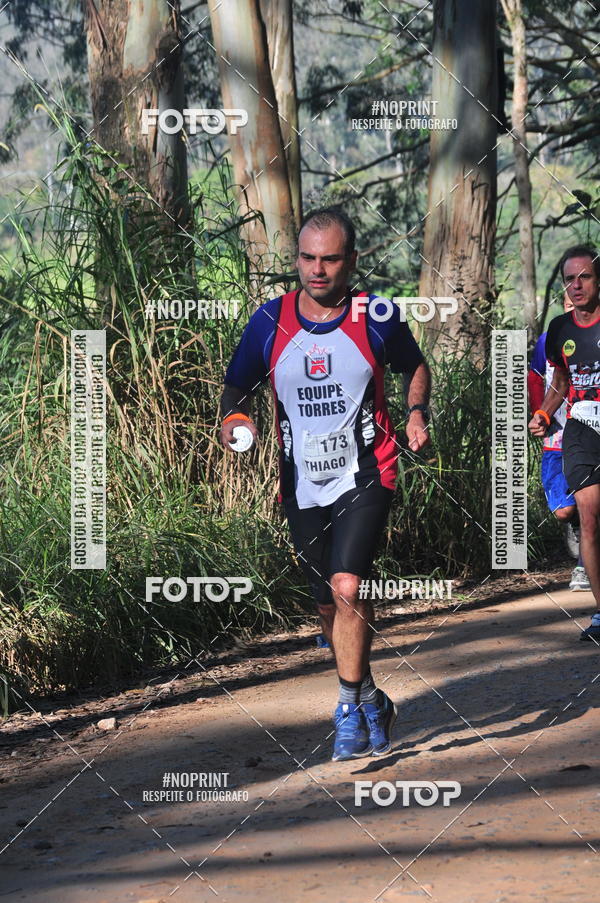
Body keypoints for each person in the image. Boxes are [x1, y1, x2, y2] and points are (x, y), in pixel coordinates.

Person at [219, 207, 431, 759]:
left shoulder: (376, 316)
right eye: (307, 258)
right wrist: (234, 421)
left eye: (330, 260)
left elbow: (415, 365)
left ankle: (347, 710)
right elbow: (237, 386)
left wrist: (416, 412)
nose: (317, 269)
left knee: (348, 587)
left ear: (351, 261)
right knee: (326, 606)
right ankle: (371, 699)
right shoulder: (269, 321)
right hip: (301, 481)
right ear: (297, 260)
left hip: (367, 471)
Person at [529, 246, 600, 641]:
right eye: (570, 279)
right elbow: (560, 381)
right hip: (582, 431)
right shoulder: (559, 329)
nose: (576, 285)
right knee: (588, 518)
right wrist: (543, 412)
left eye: (584, 277)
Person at [528, 294, 590, 591]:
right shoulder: (551, 336)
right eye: (567, 302)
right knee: (565, 510)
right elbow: (538, 377)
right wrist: (540, 413)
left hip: (590, 434)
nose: (573, 305)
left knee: (590, 500)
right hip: (558, 429)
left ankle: (584, 566)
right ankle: (575, 523)